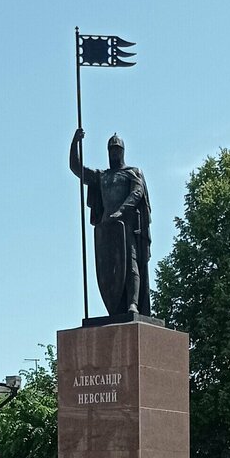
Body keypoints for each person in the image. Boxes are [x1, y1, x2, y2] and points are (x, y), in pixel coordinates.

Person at [69, 127, 152, 317]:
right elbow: (76, 168)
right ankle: (114, 306)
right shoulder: (102, 176)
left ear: (122, 151)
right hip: (107, 230)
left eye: (117, 149)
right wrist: (75, 143)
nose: (114, 152)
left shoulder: (133, 172)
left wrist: (121, 211)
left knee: (131, 266)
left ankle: (132, 304)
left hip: (126, 229)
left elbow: (137, 193)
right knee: (107, 270)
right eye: (111, 149)